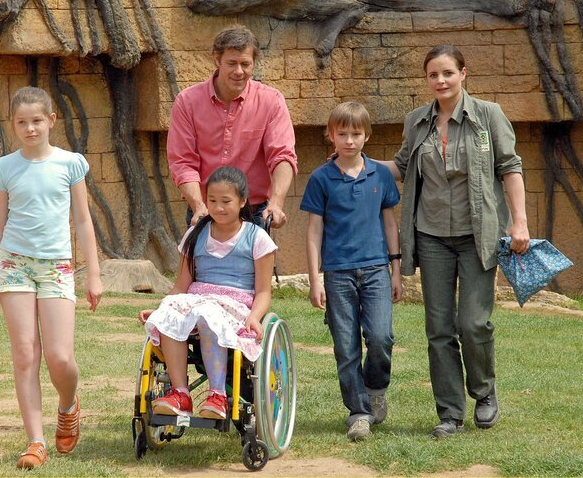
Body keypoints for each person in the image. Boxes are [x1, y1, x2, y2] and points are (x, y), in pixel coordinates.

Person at [380, 45, 530, 438]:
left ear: (464, 73)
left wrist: (520, 223)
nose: (440, 81)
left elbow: (510, 167)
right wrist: (355, 161)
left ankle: (483, 393)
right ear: (426, 79)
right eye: (433, 74)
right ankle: (449, 412)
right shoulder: (416, 121)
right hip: (430, 237)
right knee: (439, 328)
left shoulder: (488, 115)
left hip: (478, 235)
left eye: (448, 72)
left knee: (473, 323)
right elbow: (400, 165)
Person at [0, 86, 103, 469]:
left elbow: (83, 220)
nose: (29, 128)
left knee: (59, 357)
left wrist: (94, 275)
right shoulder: (4, 167)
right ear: (13, 124)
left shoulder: (71, 164)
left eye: (36, 120)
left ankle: (68, 404)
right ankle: (35, 442)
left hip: (56, 266)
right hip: (13, 264)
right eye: (21, 122)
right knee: (24, 354)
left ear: (51, 120)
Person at [138, 166, 276, 420]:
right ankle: (180, 393)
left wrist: (255, 316)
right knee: (172, 312)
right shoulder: (196, 234)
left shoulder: (257, 238)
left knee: (205, 312)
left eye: (226, 201)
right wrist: (161, 308)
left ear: (242, 201)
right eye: (212, 200)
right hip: (197, 297)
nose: (218, 207)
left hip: (235, 303)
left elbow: (264, 291)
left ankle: (218, 395)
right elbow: (181, 285)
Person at [301, 101, 402, 441]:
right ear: (331, 136)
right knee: (345, 346)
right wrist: (316, 279)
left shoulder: (381, 174)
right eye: (341, 134)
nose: (349, 140)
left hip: (376, 270)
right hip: (338, 274)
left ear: (367, 136)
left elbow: (389, 223)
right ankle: (359, 412)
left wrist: (396, 269)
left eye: (355, 134)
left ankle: (376, 388)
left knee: (380, 337)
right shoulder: (321, 178)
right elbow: (314, 232)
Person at [167, 24, 298, 229]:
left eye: (245, 64)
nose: (239, 71)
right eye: (232, 63)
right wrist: (198, 205)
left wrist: (276, 203)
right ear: (217, 60)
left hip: (253, 213)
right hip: (204, 212)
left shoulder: (271, 101)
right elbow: (182, 161)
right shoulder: (187, 102)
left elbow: (282, 156)